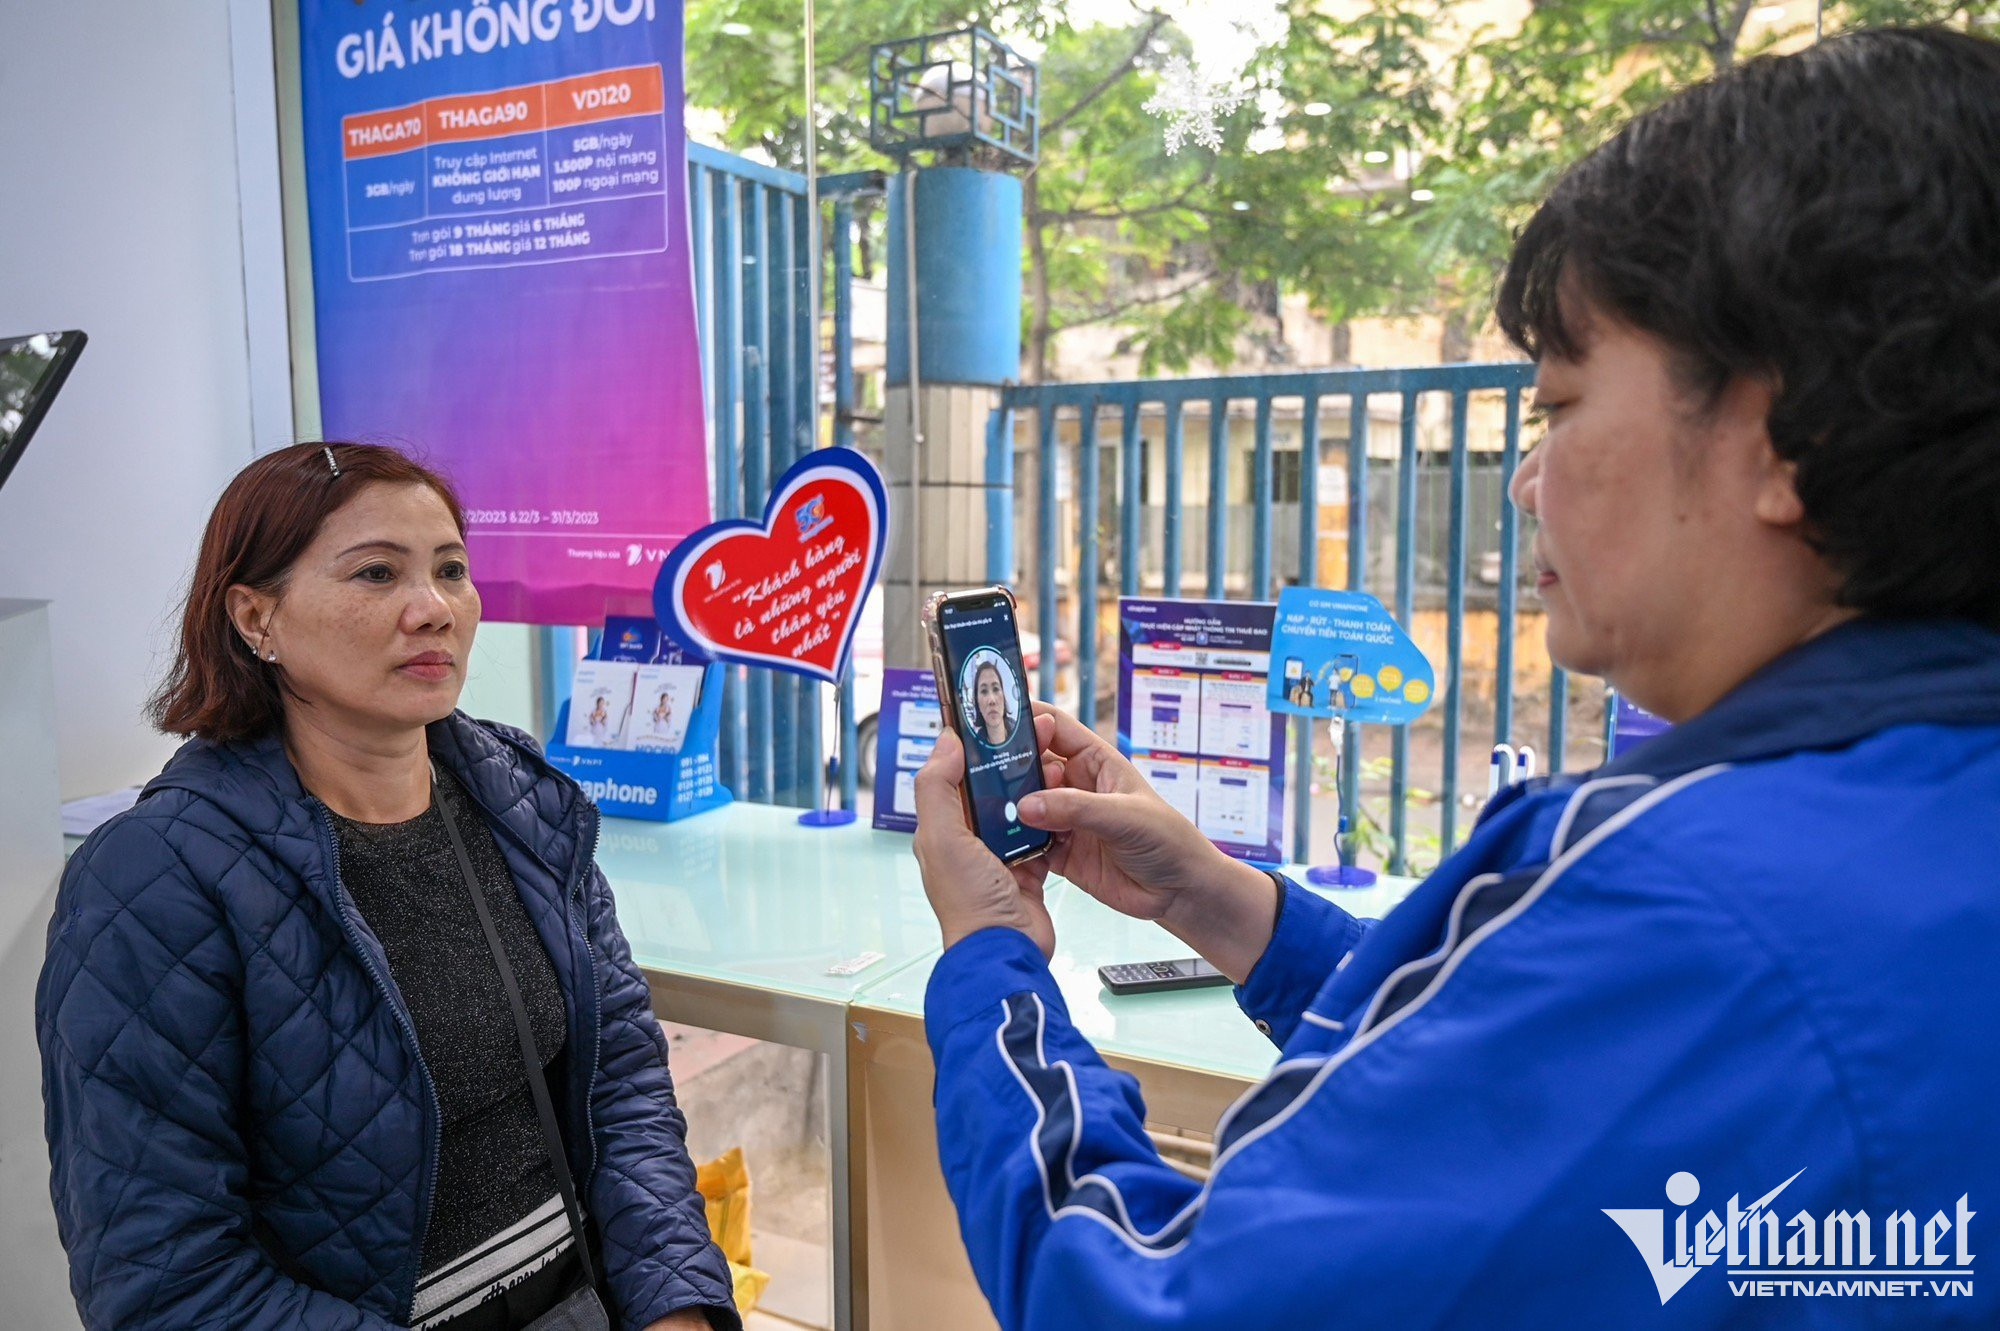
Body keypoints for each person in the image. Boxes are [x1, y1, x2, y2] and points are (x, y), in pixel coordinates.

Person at [911, 27, 2000, 1327]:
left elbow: (1137, 1297)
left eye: (1558, 404)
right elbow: (1529, 1080)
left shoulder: (1673, 897)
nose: (1527, 479)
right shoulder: (1915, 827)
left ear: (1784, 437)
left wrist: (990, 962)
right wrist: (1220, 899)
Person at [38, 443, 737, 1330]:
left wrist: (678, 1303)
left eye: (451, 570)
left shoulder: (522, 804)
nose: (433, 608)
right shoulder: (153, 880)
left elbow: (622, 1082)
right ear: (255, 617)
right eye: (376, 573)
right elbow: (165, 1280)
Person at [971, 656, 1015, 747]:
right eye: (984, 691)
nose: (992, 700)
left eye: (996, 689)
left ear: (1003, 695)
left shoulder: (1022, 732)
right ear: (977, 701)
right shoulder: (973, 748)